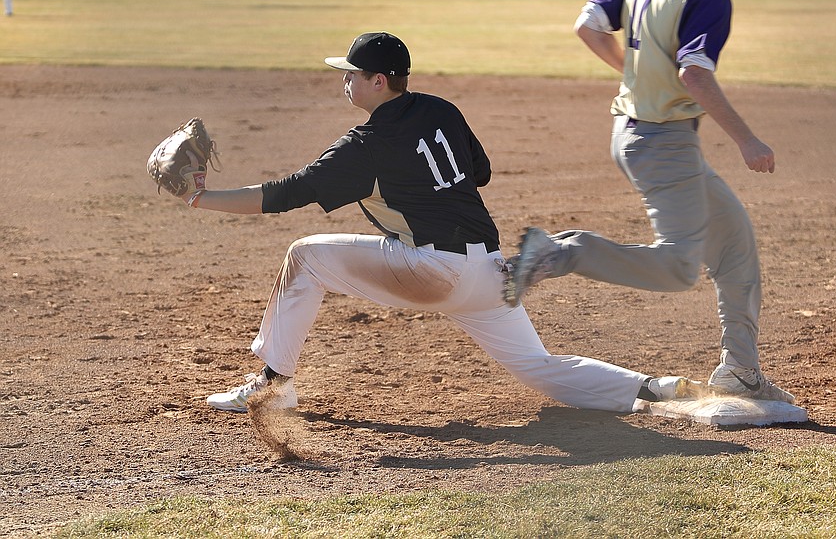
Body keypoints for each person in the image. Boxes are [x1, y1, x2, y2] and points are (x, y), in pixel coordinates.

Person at [175, 32, 696, 413]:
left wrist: (200, 198)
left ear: (378, 81)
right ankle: (655, 388)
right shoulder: (440, 109)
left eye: (351, 74)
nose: (345, 81)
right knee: (539, 367)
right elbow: (482, 172)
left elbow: (285, 195)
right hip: (490, 273)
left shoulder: (367, 146)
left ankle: (272, 384)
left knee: (305, 255)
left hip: (433, 272)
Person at [505, 0, 796, 405]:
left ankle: (741, 371)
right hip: (664, 142)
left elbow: (588, 25)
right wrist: (748, 140)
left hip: (637, 133)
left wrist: (636, 76)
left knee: (735, 246)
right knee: (680, 267)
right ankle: (561, 254)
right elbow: (694, 73)